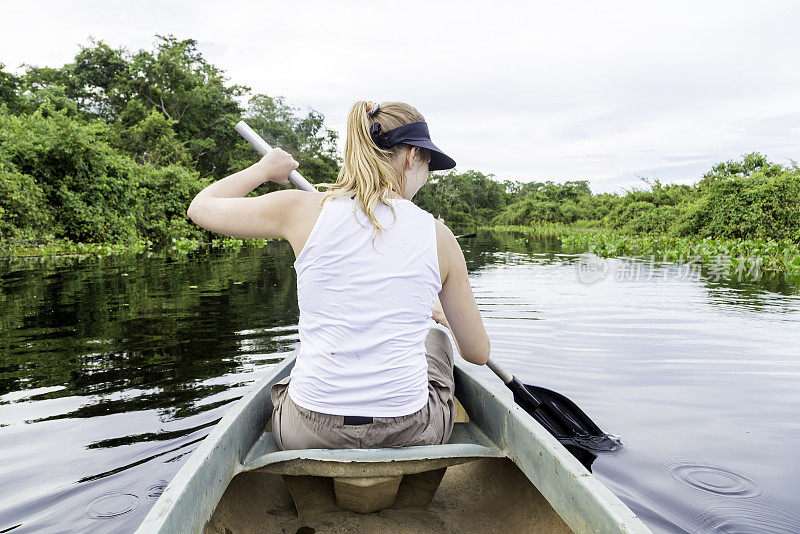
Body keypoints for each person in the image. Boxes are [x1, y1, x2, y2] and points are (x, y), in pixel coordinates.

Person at [186, 101, 490, 450]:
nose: (425, 175)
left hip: (308, 432)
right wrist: (440, 319)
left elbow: (201, 208)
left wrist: (264, 169)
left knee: (301, 371)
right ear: (411, 156)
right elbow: (478, 353)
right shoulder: (438, 236)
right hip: (409, 431)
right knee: (435, 340)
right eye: (427, 164)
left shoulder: (301, 210)